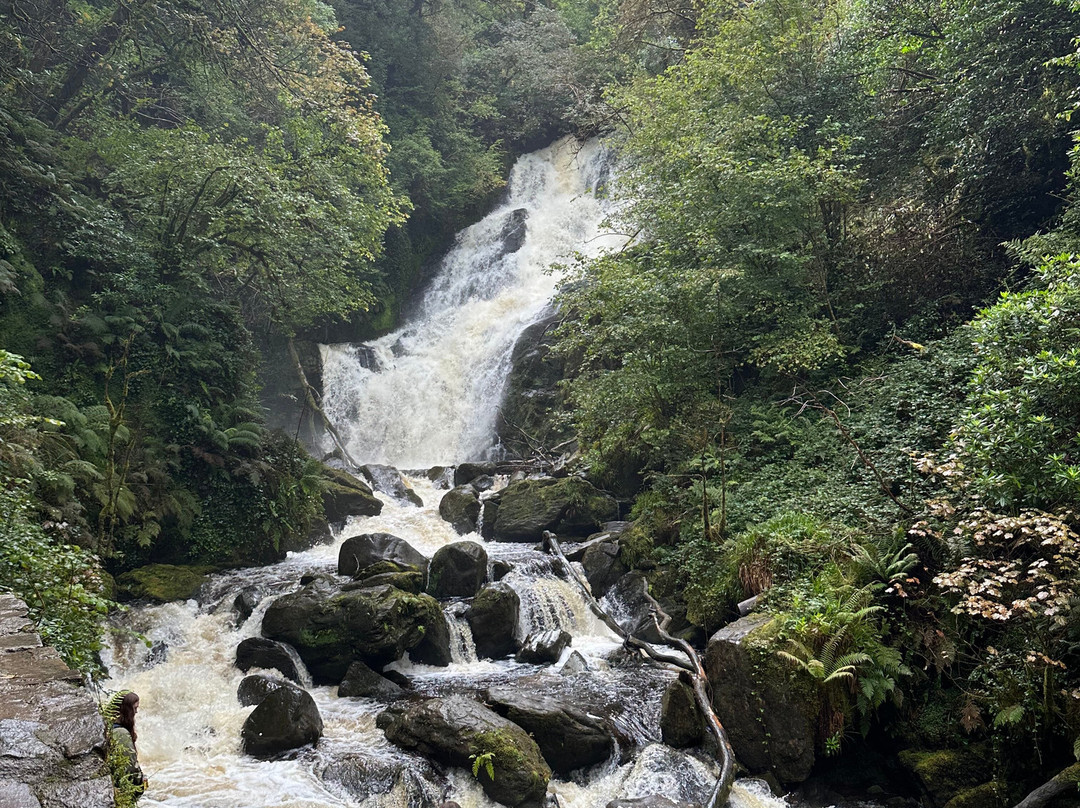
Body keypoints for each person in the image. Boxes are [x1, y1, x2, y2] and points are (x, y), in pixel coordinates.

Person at [108, 691, 148, 796]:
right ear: (126, 709)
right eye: (134, 708)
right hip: (123, 788)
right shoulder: (121, 733)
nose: (136, 712)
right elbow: (130, 766)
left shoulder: (110, 726)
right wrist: (139, 783)